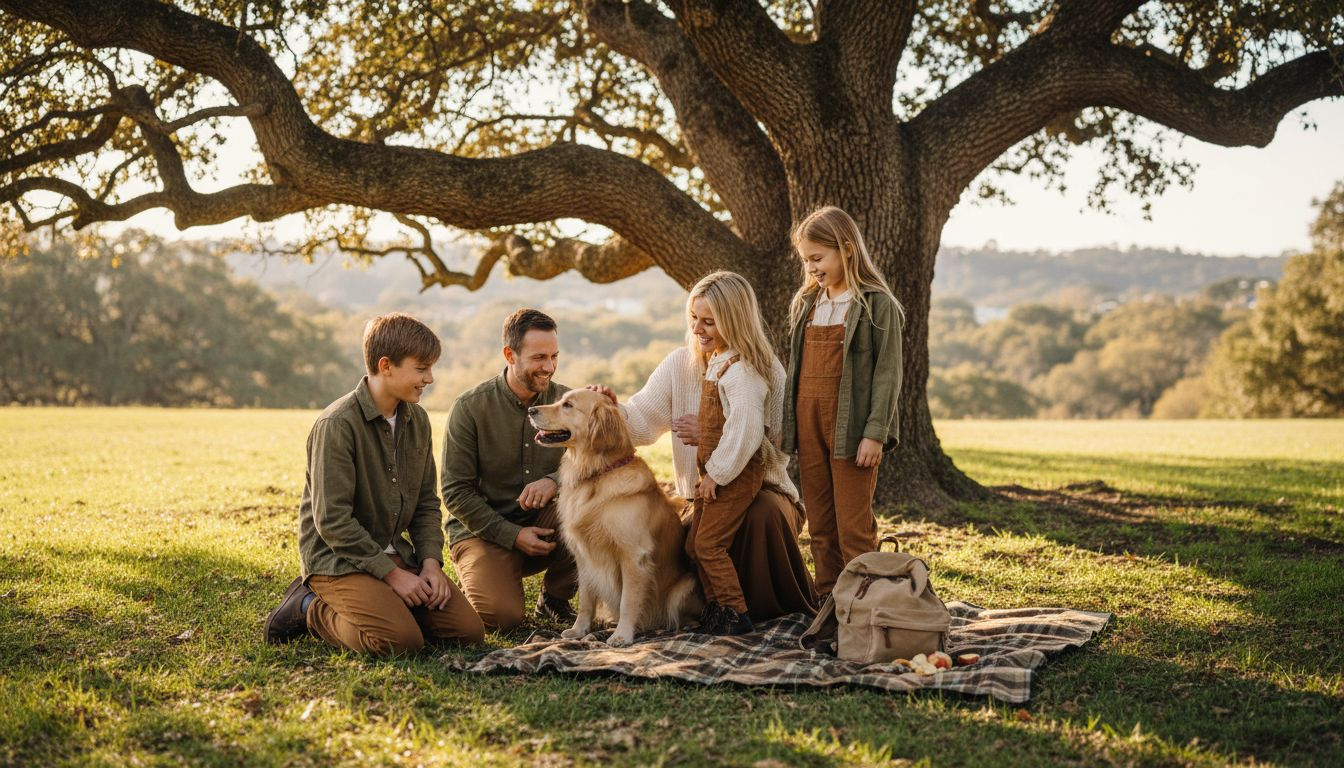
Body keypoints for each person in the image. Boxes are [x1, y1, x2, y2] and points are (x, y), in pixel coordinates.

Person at [264, 313, 485, 655]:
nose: (430, 378)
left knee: (467, 631)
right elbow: (332, 522)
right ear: (386, 366)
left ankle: (392, 605)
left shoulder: (418, 421)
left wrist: (429, 564)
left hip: (397, 555)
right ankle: (308, 607)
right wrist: (393, 576)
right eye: (421, 368)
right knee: (400, 643)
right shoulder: (337, 425)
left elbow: (427, 502)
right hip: (338, 562)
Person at [783, 206, 905, 600]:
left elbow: (888, 376)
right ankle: (829, 606)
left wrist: (875, 434)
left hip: (851, 430)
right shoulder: (807, 305)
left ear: (847, 249)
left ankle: (867, 608)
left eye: (818, 258)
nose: (812, 268)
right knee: (820, 525)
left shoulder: (875, 304)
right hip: (809, 424)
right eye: (806, 260)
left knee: (853, 527)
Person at [440, 308, 578, 631]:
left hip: (545, 523)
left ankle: (555, 597)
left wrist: (554, 481)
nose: (549, 367)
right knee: (503, 618)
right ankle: (481, 580)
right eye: (539, 357)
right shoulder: (470, 408)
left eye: (554, 356)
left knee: (595, 507)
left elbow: (592, 461)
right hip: (482, 532)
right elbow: (455, 492)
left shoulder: (567, 402)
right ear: (509, 354)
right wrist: (512, 536)